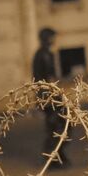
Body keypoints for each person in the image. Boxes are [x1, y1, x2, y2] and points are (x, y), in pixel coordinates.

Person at [30, 27, 69, 166]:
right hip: (49, 97)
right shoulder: (43, 55)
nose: (54, 40)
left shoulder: (43, 54)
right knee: (57, 127)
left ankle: (58, 156)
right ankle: (53, 158)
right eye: (52, 37)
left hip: (49, 96)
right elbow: (47, 78)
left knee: (60, 126)